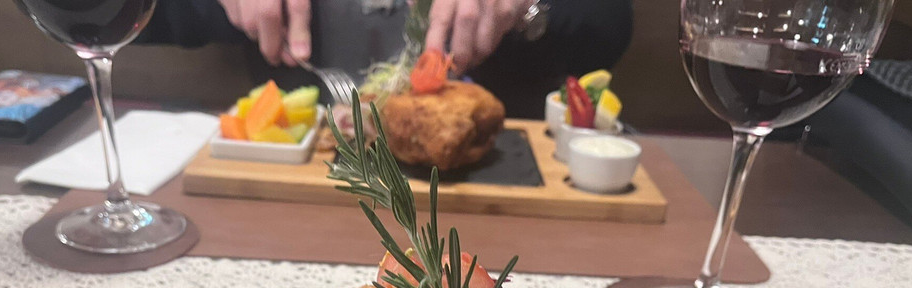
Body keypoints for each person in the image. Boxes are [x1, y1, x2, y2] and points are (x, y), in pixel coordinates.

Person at [140, 0, 632, 118]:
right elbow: (150, 18)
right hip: (294, 185)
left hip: (490, 197)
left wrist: (531, 7)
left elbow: (609, 23)